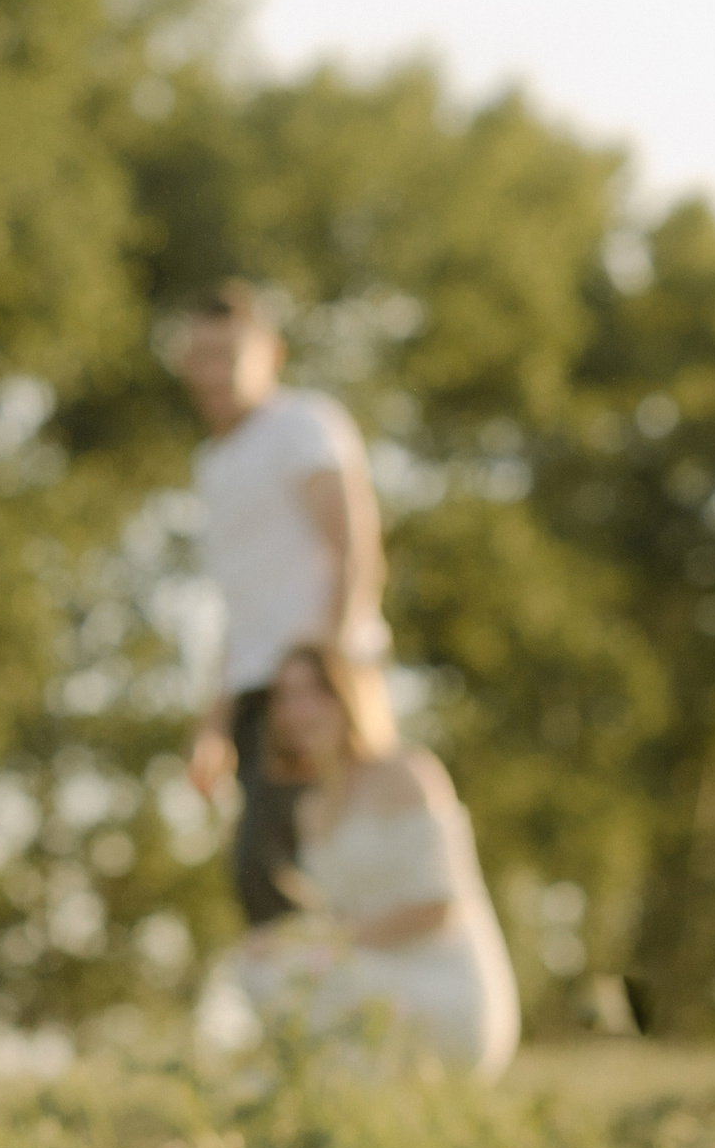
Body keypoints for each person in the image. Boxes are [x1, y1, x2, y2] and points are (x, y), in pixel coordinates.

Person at [204, 644, 520, 1080]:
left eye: (316, 692)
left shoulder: (407, 774)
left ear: (348, 696)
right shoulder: (310, 810)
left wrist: (309, 945)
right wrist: (292, 940)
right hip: (375, 980)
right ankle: (270, 1091)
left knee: (278, 972)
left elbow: (441, 908)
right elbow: (340, 919)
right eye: (287, 697)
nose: (300, 710)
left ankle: (270, 1089)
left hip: (448, 993)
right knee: (250, 962)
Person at [178, 282, 391, 928]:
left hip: (312, 684)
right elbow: (237, 604)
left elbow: (354, 548)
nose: (212, 370)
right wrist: (214, 724)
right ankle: (311, 1010)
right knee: (263, 866)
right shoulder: (214, 462)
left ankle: (325, 1009)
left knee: (287, 862)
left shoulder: (303, 425)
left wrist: (332, 678)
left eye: (227, 352)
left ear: (271, 354)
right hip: (254, 689)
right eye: (199, 356)